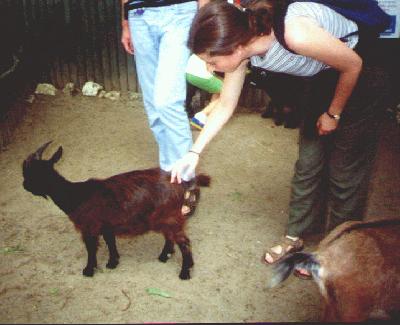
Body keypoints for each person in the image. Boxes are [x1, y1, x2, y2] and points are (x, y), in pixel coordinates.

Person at [170, 0, 390, 275]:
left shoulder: (295, 33)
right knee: (308, 162)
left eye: (212, 62)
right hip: (323, 76)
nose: (211, 69)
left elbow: (353, 65)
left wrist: (333, 115)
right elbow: (225, 105)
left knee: (344, 171)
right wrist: (194, 153)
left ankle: (339, 251)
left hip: (362, 71)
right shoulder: (242, 52)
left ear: (233, 46)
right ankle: (297, 235)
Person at [121, 0, 209, 216]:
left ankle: (185, 183)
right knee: (153, 106)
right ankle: (169, 176)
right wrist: (126, 23)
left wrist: (205, 18)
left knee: (167, 101)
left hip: (179, 11)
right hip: (139, 14)